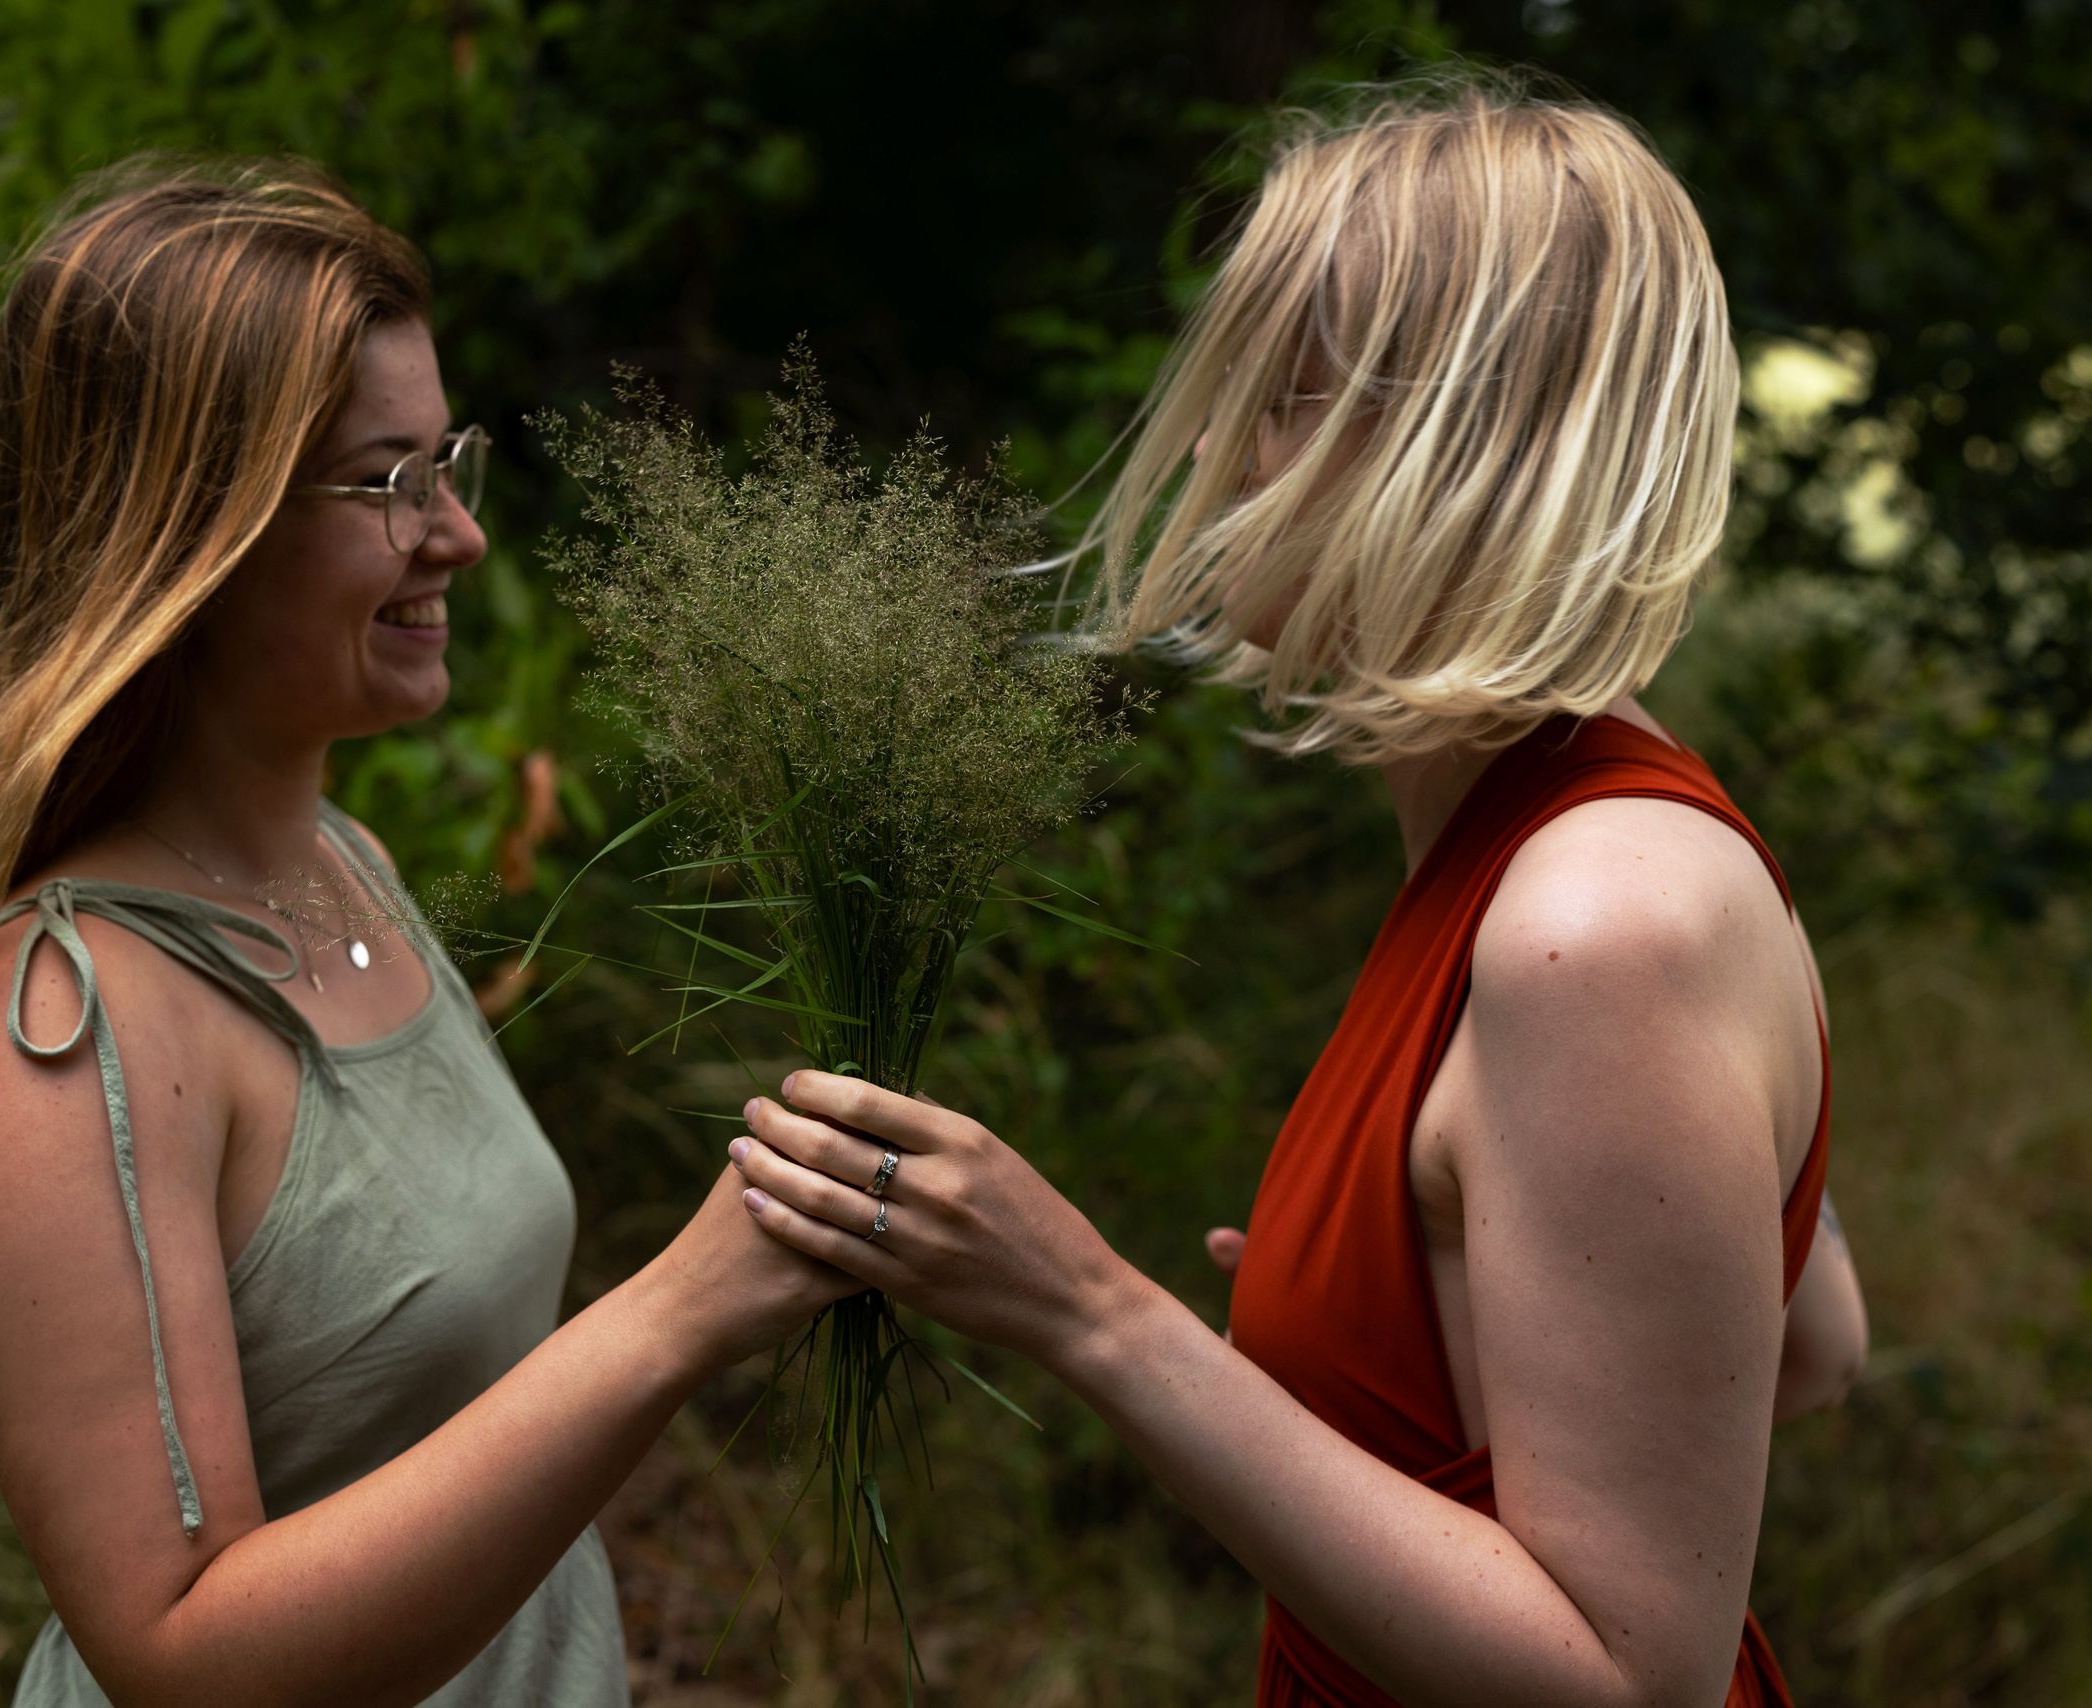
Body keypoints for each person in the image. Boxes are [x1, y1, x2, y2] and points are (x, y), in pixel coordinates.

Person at [724, 79, 1870, 1708]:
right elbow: (1814, 1347)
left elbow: (1629, 1680)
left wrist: (1093, 1312)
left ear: (1437, 444)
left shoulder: (1592, 926)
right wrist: (1410, 1313)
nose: (1208, 446)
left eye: (1271, 392)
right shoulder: (1588, 808)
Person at [0, 160, 853, 1708]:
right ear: (189, 532)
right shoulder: (56, 1029)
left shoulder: (349, 861)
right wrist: (675, 1318)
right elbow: (183, 1658)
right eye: (388, 483)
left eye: (445, 460)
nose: (457, 535)